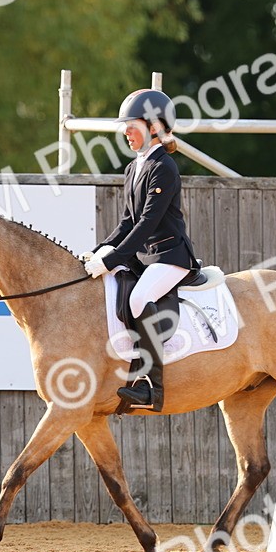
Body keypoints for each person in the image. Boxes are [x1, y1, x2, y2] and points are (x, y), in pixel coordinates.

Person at [82, 88, 200, 412]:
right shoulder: (133, 168)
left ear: (155, 127)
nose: (126, 132)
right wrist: (99, 252)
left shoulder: (164, 166)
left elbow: (148, 223)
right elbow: (127, 222)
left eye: (131, 126)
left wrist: (114, 259)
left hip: (170, 256)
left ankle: (152, 387)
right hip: (146, 258)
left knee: (138, 298)